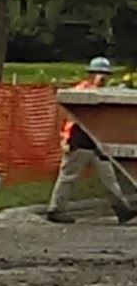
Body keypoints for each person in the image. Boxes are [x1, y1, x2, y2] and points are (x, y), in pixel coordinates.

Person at [47, 56, 137, 222]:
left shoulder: (103, 92)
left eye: (105, 74)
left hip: (98, 142)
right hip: (80, 141)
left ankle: (122, 209)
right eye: (100, 74)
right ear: (92, 74)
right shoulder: (82, 91)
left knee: (109, 178)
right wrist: (65, 139)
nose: (103, 77)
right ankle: (55, 209)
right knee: (68, 177)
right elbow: (70, 118)